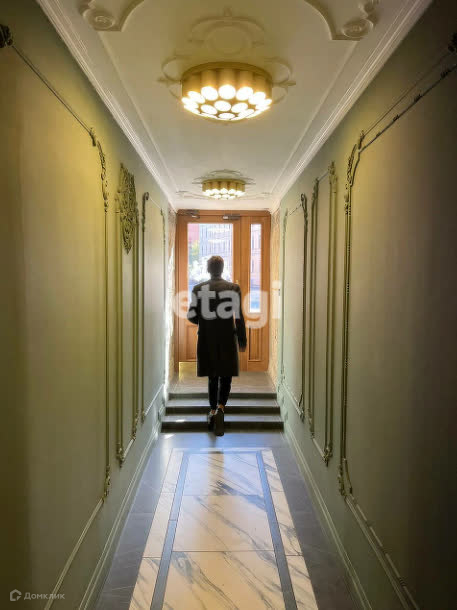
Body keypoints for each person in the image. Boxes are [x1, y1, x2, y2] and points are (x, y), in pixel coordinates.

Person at [187, 255, 247, 436]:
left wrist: (204, 322)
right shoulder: (233, 288)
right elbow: (238, 316)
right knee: (226, 375)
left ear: (208, 269)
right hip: (227, 338)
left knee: (212, 376)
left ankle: (212, 410)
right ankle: (221, 407)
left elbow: (191, 316)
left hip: (207, 338)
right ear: (222, 269)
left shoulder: (198, 289)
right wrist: (242, 339)